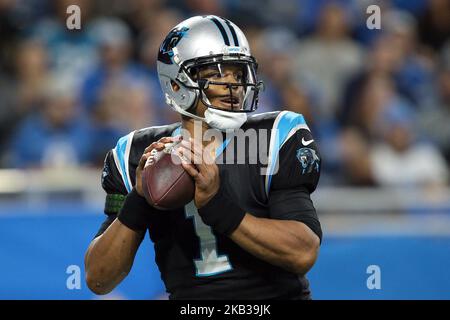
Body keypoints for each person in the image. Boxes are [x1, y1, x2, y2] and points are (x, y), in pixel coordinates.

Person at [84, 15, 322, 300]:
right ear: (176, 85)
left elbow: (303, 252)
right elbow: (99, 278)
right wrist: (139, 199)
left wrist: (216, 206)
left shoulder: (274, 135)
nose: (232, 85)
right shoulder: (135, 152)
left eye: (237, 73)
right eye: (218, 73)